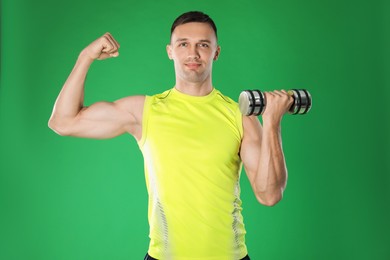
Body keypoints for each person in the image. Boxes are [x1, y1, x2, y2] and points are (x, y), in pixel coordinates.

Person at [49, 11, 293, 260]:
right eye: (183, 44)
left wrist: (272, 121)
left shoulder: (240, 116)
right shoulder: (144, 111)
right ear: (170, 51)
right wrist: (85, 57)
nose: (193, 53)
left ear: (216, 53)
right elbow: (63, 122)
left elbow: (269, 194)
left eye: (203, 45)